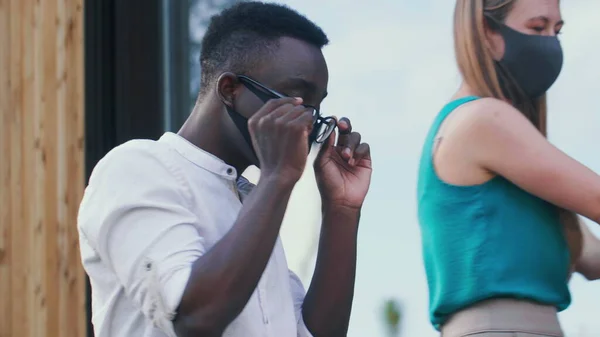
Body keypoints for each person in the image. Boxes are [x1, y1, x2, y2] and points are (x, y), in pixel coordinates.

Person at [77, 2, 372, 337]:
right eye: (296, 100)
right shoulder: (136, 168)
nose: (308, 122)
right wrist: (276, 179)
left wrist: (342, 211)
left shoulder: (250, 202)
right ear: (230, 89)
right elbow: (194, 318)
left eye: (316, 108)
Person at [417, 0, 600, 336]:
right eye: (537, 27)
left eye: (556, 31)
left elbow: (591, 256)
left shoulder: (511, 151)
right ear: (486, 32)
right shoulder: (484, 119)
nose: (549, 42)